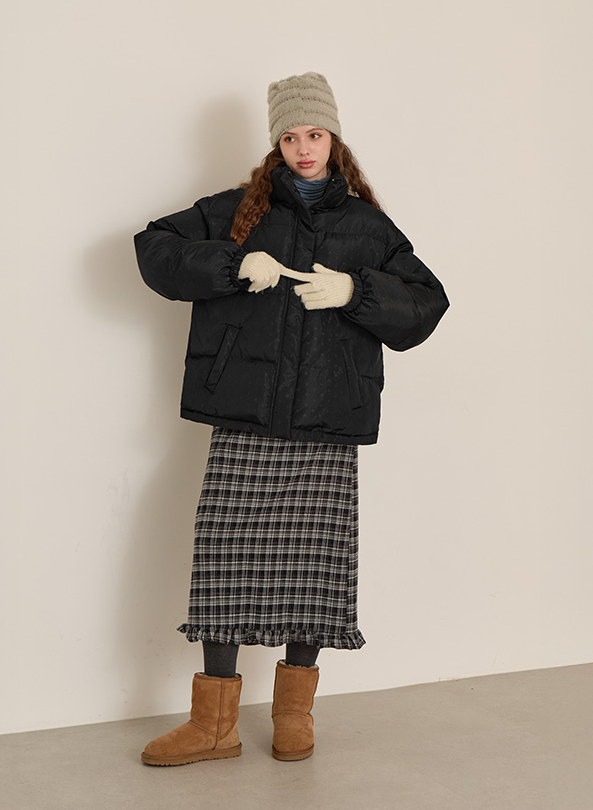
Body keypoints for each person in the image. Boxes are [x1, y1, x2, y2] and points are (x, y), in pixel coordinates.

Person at [134, 71, 449, 767]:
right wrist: (233, 264)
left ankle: (293, 716)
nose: (303, 148)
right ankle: (214, 725)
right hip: (243, 415)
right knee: (224, 563)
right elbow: (153, 248)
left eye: (315, 133)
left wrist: (355, 290)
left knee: (314, 568)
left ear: (334, 138)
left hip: (327, 419)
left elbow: (427, 304)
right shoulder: (238, 212)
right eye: (289, 136)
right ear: (275, 143)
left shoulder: (368, 227)